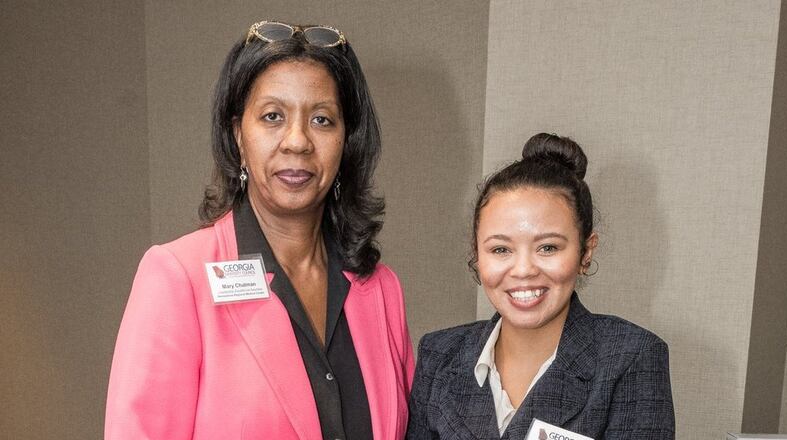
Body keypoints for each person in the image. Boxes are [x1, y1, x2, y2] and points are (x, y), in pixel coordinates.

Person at [106, 20, 414, 439]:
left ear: (347, 142)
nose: (297, 141)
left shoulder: (379, 289)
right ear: (238, 136)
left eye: (322, 120)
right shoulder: (178, 277)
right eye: (273, 116)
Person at [406, 133, 674, 439]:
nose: (523, 270)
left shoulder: (630, 357)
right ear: (476, 254)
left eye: (548, 248)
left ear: (585, 252)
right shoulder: (440, 355)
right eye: (500, 250)